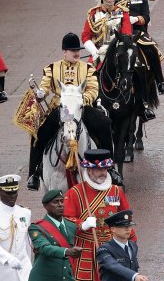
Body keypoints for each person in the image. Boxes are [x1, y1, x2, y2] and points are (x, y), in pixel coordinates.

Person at [64, 149, 134, 281]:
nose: (103, 173)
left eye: (105, 169)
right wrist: (82, 224)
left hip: (112, 250)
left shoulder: (116, 191)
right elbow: (66, 221)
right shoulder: (75, 193)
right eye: (98, 170)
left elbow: (126, 219)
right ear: (88, 170)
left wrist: (132, 245)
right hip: (86, 252)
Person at [27, 34, 113, 190]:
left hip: (81, 107)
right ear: (64, 52)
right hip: (60, 107)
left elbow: (93, 89)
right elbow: (45, 86)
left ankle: (110, 167)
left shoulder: (88, 68)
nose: (77, 53)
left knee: (104, 124)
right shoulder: (52, 68)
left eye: (78, 50)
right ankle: (33, 173)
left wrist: (81, 99)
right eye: (73, 50)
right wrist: (41, 93)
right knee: (39, 133)